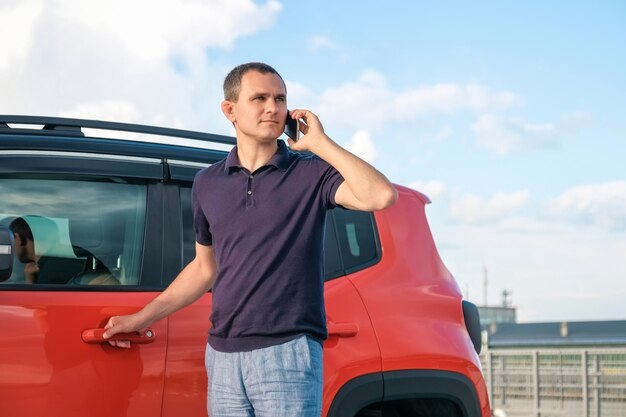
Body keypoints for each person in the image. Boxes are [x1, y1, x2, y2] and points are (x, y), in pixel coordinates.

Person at [103, 62, 397, 417]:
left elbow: (380, 196)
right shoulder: (208, 182)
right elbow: (203, 269)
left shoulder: (310, 173)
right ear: (230, 110)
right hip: (223, 355)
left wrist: (319, 143)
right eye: (259, 98)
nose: (273, 107)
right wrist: (140, 318)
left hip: (288, 352)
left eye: (280, 99)